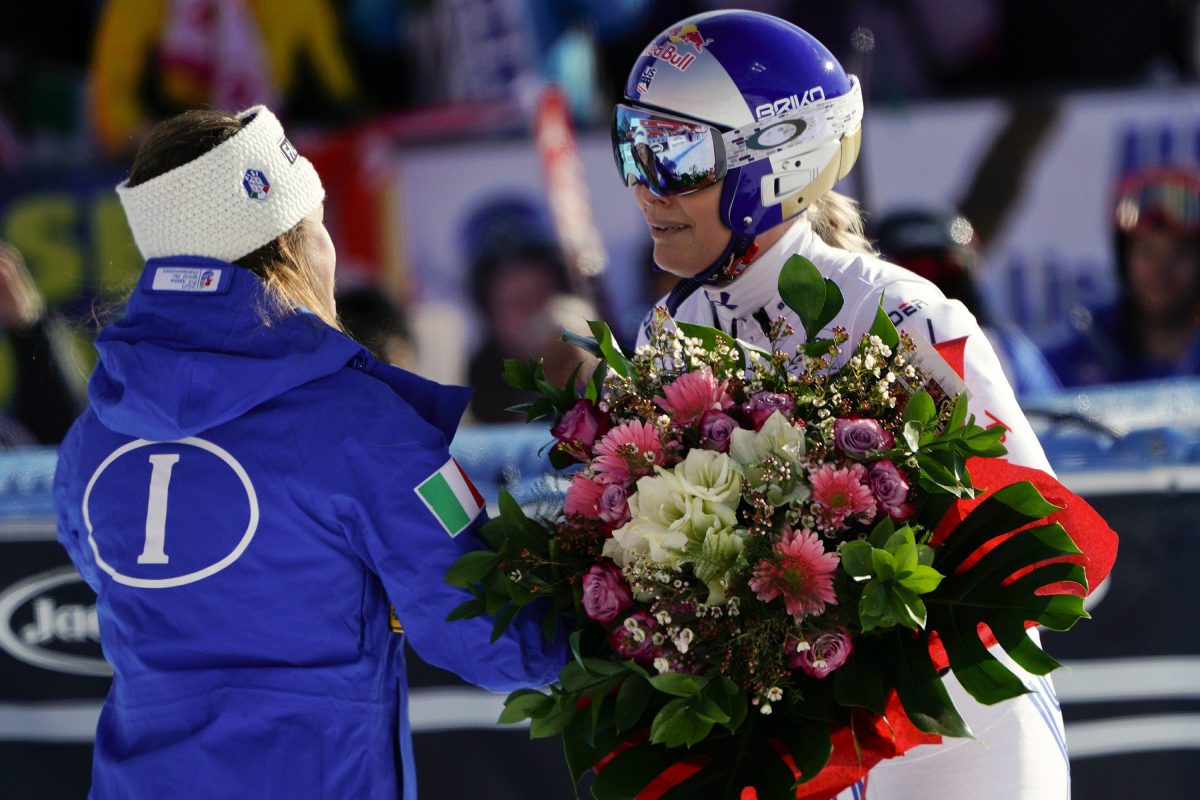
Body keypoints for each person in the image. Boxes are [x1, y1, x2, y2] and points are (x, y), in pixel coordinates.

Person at [615, 10, 1067, 798]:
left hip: (959, 743)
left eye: (676, 152)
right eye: (634, 145)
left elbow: (1058, 558)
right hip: (797, 746)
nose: (643, 183)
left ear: (778, 159)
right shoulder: (665, 336)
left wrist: (868, 605)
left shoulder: (906, 315)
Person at [52, 106, 563, 799]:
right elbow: (493, 637)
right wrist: (620, 604)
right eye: (320, 223)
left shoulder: (94, 434)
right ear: (292, 243)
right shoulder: (360, 423)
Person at [872, 208, 1062, 399]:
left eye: (948, 276)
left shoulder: (1007, 350)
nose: (934, 299)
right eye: (913, 275)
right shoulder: (860, 359)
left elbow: (1052, 418)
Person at [1046, 166, 1200, 386]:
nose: (1161, 270)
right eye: (1147, 251)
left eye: (1180, 253)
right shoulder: (1080, 355)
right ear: (1123, 258)